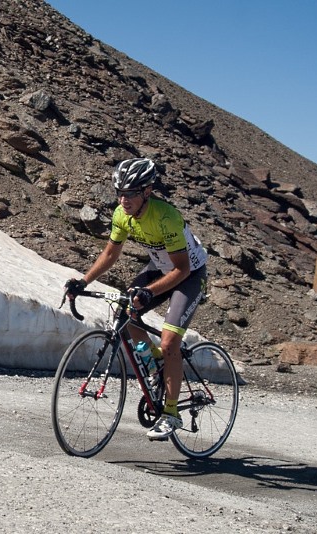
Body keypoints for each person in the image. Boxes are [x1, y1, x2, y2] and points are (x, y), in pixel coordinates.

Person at [64, 157, 208, 440]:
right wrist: (82, 281)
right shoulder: (122, 215)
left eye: (130, 193)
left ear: (146, 191)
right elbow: (109, 254)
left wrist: (149, 292)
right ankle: (155, 361)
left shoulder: (166, 217)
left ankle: (171, 413)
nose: (123, 199)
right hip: (160, 268)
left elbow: (182, 269)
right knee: (124, 311)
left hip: (189, 275)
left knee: (169, 341)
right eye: (120, 192)